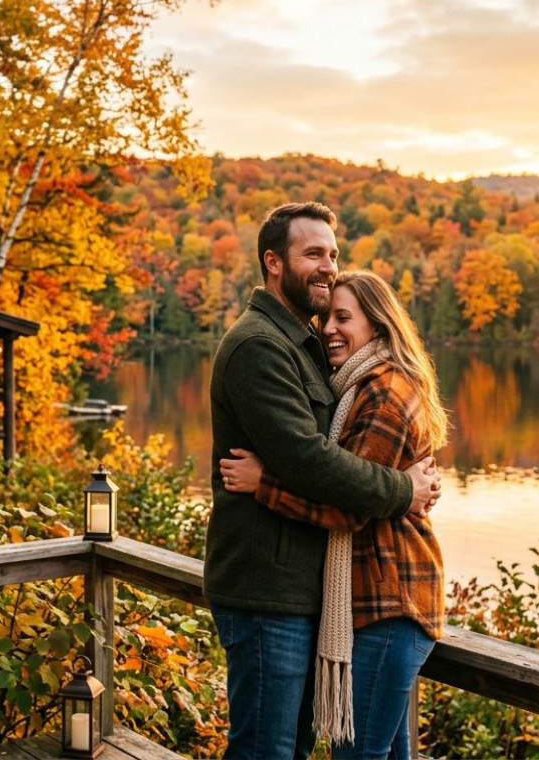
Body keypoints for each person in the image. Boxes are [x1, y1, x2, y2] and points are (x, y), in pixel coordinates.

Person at [204, 202, 442, 760]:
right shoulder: (261, 345)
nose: (327, 265)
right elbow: (312, 460)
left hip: (320, 593)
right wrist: (404, 491)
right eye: (313, 253)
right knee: (268, 749)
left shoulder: (323, 356)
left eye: (333, 254)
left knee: (300, 748)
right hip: (268, 587)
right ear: (273, 262)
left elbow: (335, 473)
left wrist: (268, 483)